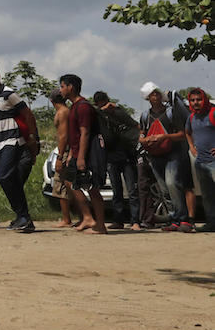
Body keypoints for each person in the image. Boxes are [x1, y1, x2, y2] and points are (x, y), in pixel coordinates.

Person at [0, 63, 38, 233]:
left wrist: (32, 137)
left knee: (4, 176)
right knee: (9, 179)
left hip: (13, 140)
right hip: (1, 140)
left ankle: (23, 216)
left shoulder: (9, 93)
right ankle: (23, 216)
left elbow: (28, 114)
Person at [138, 82, 195, 232]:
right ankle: (174, 219)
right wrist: (144, 140)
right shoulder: (145, 116)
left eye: (157, 93)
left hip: (172, 153)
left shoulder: (171, 113)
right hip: (155, 155)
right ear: (147, 98)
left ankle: (183, 219)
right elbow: (142, 134)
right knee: (164, 189)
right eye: (152, 94)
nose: (155, 96)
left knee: (172, 184)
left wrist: (165, 137)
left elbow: (183, 134)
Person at [61, 74, 107, 234]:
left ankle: (100, 225)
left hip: (87, 154)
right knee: (69, 181)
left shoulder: (83, 107)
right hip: (75, 153)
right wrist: (70, 155)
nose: (61, 90)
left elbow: (85, 133)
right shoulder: (74, 106)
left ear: (70, 87)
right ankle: (87, 217)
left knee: (93, 188)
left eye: (62, 86)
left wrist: (80, 157)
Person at [93, 91, 140, 230]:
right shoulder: (99, 116)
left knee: (132, 190)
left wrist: (116, 109)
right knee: (116, 190)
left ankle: (135, 221)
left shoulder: (118, 112)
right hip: (111, 157)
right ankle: (118, 220)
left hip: (126, 155)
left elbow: (134, 124)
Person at [49, 89, 82, 228]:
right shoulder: (66, 110)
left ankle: (67, 218)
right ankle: (77, 216)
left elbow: (64, 136)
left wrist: (60, 156)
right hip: (67, 150)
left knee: (62, 184)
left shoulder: (62, 113)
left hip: (65, 150)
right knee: (66, 185)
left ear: (51, 101)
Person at [184, 87, 215, 232]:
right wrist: (191, 146)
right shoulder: (191, 117)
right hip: (201, 162)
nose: (196, 102)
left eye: (199, 99)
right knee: (207, 195)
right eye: (192, 100)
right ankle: (211, 223)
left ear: (205, 99)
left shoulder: (213, 113)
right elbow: (187, 132)